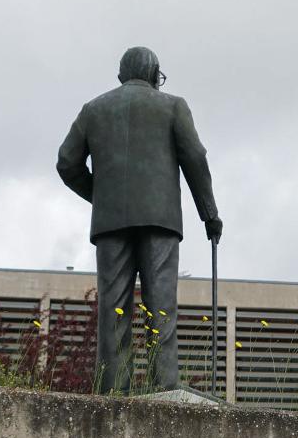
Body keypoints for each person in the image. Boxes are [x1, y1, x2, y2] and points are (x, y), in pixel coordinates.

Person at [57, 46, 222, 394]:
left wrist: (102, 196)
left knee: (112, 307)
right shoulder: (173, 106)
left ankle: (114, 389)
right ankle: (163, 386)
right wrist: (209, 214)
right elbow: (195, 157)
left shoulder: (93, 110)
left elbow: (67, 163)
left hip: (111, 221)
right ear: (154, 74)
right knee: (160, 304)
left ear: (121, 75)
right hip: (160, 219)